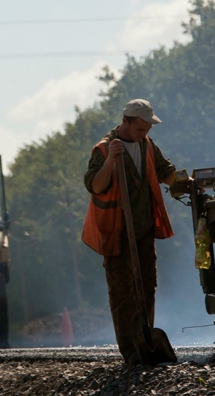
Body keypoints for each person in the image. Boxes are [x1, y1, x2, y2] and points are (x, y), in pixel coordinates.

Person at [82, 99, 178, 367]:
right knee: (123, 292)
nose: (144, 134)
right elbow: (95, 186)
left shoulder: (146, 144)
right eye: (139, 129)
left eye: (147, 130)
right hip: (116, 231)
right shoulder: (104, 149)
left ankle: (147, 339)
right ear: (125, 122)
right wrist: (112, 160)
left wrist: (187, 184)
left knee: (147, 286)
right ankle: (131, 350)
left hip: (143, 229)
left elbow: (164, 171)